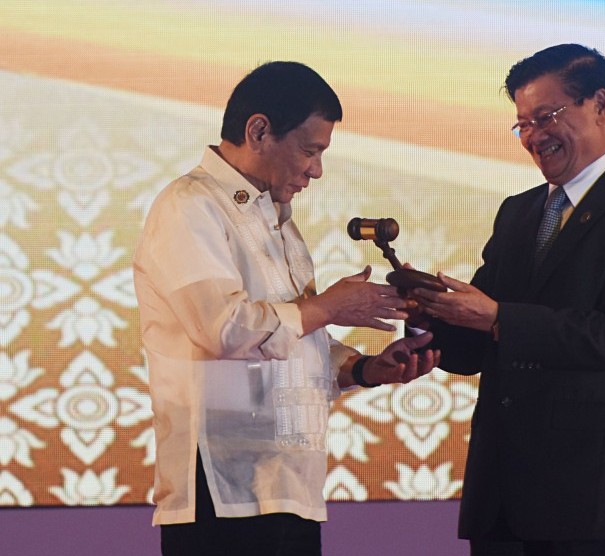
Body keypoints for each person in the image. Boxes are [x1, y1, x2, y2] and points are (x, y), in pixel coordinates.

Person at [133, 61, 439, 556]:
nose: (315, 169)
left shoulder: (277, 221)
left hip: (290, 483)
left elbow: (296, 340)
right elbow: (225, 330)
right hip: (221, 486)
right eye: (309, 150)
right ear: (258, 130)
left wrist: (366, 369)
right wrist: (328, 305)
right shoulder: (190, 206)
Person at [410, 44, 605, 555]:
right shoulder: (518, 213)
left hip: (593, 503)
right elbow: (479, 346)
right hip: (502, 503)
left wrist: (496, 317)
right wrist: (426, 315)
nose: (534, 137)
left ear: (600, 105)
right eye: (523, 124)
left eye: (546, 117)